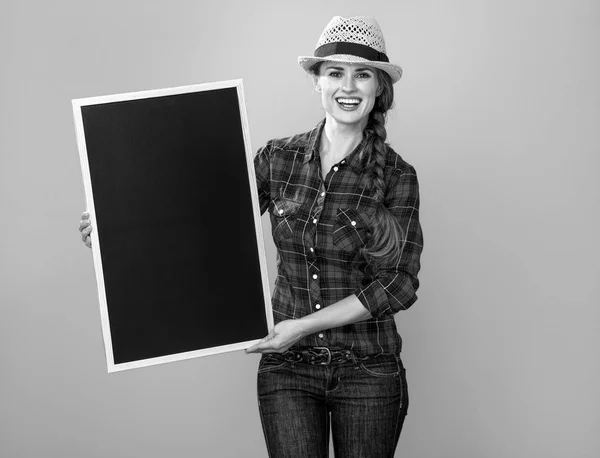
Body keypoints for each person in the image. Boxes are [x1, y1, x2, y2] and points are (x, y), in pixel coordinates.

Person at [79, 15, 423, 458]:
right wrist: (120, 224)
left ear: (379, 88)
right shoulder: (277, 158)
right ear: (316, 82)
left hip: (369, 372)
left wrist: (302, 326)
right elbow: (210, 224)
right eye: (335, 72)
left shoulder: (398, 176)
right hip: (287, 372)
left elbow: (399, 284)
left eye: (363, 75)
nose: (348, 86)